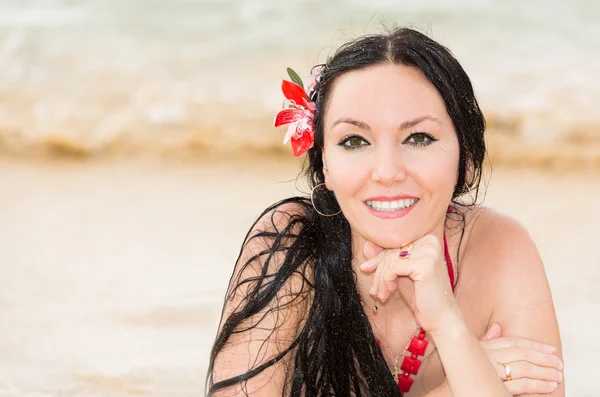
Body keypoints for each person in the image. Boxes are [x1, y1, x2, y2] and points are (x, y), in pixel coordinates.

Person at [206, 27, 564, 396]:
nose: (387, 172)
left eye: (419, 138)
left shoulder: (500, 249)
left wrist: (448, 325)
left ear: (466, 159)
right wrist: (464, 379)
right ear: (324, 162)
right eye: (355, 141)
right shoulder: (291, 245)